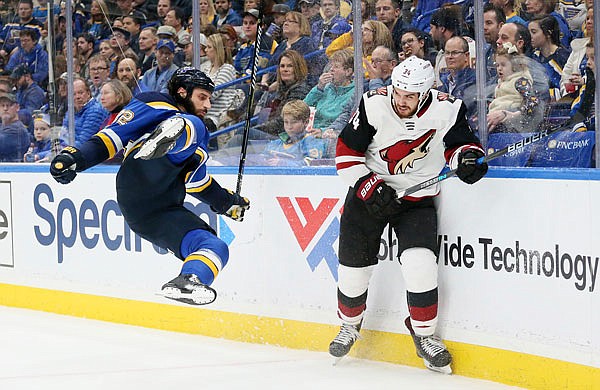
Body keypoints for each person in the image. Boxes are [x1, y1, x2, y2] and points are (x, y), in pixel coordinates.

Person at [329, 56, 487, 374]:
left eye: (410, 95)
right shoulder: (374, 105)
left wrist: (468, 159)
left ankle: (424, 336)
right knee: (352, 270)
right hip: (368, 195)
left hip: (416, 200)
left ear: (426, 92)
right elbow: (346, 154)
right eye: (398, 92)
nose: (401, 100)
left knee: (420, 264)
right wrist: (369, 187)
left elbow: (463, 148)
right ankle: (348, 325)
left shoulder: (448, 109)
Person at [49, 67, 251, 306]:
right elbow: (113, 136)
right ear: (183, 92)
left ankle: (189, 280)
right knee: (194, 124)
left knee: (214, 246)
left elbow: (197, 183)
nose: (207, 104)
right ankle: (168, 138)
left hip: (154, 213)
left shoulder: (200, 139)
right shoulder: (155, 102)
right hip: (139, 173)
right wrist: (77, 158)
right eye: (202, 97)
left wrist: (226, 202)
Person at [486, 43, 540, 133]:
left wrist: (513, 115)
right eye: (497, 65)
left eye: (503, 65)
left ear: (515, 65)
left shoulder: (519, 81)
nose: (499, 68)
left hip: (512, 129)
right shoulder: (501, 84)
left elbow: (533, 101)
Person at [262, 99, 326, 165]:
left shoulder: (311, 141)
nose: (289, 127)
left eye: (294, 122)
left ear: (306, 122)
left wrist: (283, 163)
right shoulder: (276, 144)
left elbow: (312, 163)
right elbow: (261, 159)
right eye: (286, 122)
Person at [529, 14, 571, 101]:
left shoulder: (562, 57)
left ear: (548, 33)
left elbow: (568, 89)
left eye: (534, 32)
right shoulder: (534, 56)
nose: (530, 36)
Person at [62, 77, 108, 147]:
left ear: (88, 93)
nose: (77, 97)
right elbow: (62, 138)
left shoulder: (95, 111)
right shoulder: (70, 112)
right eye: (73, 94)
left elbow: (83, 143)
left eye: (80, 93)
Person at [0, 92, 31, 162]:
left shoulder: (17, 129)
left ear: (17, 107)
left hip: (13, 170)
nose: (5, 108)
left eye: (9, 105)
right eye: (2, 105)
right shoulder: (2, 127)